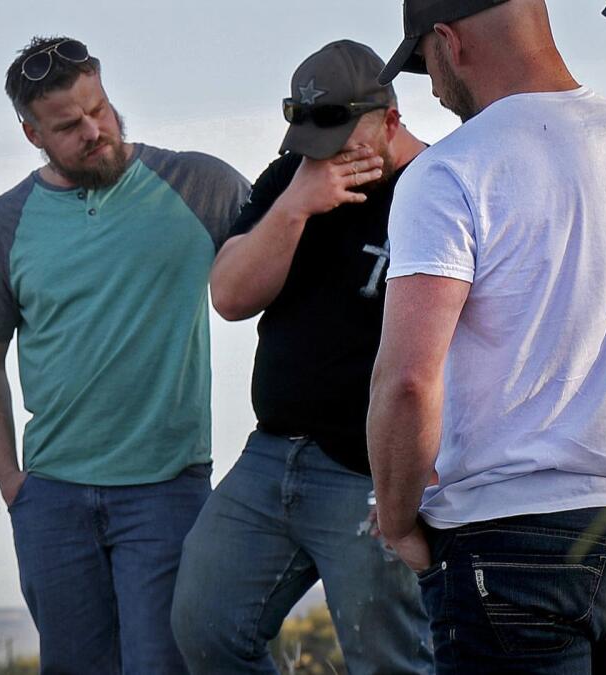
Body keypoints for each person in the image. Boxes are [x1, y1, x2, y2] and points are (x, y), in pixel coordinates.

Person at [0, 36, 249, 674]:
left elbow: (281, 259)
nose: (94, 131)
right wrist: (12, 485)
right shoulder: (3, 224)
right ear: (32, 134)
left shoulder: (198, 185)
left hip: (167, 490)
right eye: (68, 125)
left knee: (163, 666)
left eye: (100, 110)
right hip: (52, 498)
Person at [371, 0, 606, 671]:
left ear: (450, 42)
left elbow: (408, 379)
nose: (432, 85)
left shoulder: (450, 171)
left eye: (424, 63)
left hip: (510, 541)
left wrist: (397, 521)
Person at [171, 40, 433, 674]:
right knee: (204, 628)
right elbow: (229, 295)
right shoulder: (293, 176)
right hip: (272, 454)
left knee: (391, 662)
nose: (328, 155)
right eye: (312, 142)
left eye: (344, 136)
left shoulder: (439, 184)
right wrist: (294, 206)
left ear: (391, 119)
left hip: (370, 472)